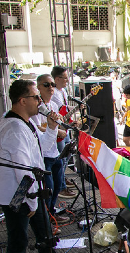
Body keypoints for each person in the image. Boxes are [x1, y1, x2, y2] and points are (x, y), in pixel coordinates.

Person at [0, 79, 81, 253]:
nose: (40, 102)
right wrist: (30, 201)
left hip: (29, 192)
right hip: (19, 194)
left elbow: (42, 148)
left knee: (46, 236)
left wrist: (51, 128)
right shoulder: (13, 128)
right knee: (19, 240)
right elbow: (22, 169)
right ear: (22, 101)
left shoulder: (26, 122)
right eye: (35, 97)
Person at [34, 74, 69, 224]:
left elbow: (59, 123)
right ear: (38, 87)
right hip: (44, 154)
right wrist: (54, 129)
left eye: (52, 85)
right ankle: (46, 219)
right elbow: (36, 127)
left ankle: (52, 213)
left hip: (55, 152)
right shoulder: (36, 109)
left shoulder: (53, 106)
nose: (51, 88)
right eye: (46, 85)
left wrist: (65, 127)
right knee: (48, 188)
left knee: (57, 186)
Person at [50, 66, 77, 199]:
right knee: (61, 159)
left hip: (64, 128)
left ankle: (62, 180)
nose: (67, 80)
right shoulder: (54, 93)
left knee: (66, 156)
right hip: (58, 130)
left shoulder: (63, 92)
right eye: (65, 78)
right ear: (57, 79)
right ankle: (60, 186)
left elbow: (65, 110)